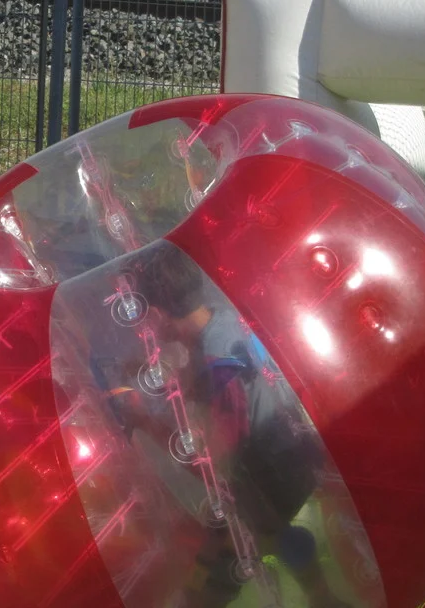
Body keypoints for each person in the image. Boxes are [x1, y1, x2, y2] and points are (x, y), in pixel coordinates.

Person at [107, 242, 350, 608]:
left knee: (213, 572)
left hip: (268, 484)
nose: (140, 328)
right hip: (294, 461)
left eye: (139, 318)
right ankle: (323, 597)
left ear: (155, 314)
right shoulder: (225, 320)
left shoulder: (217, 367)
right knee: (274, 534)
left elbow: (212, 469)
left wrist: (144, 422)